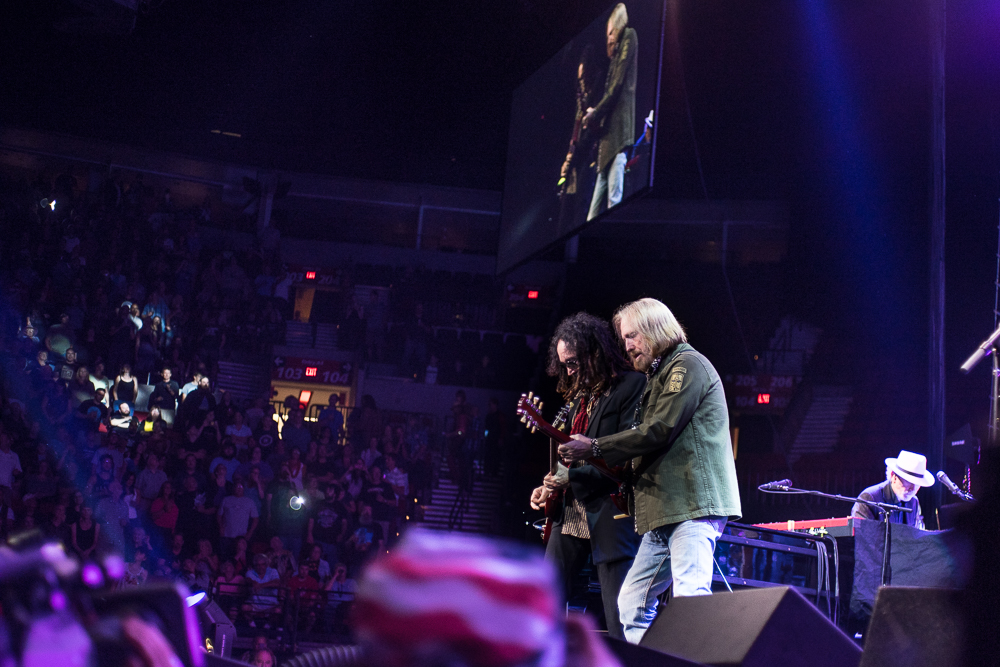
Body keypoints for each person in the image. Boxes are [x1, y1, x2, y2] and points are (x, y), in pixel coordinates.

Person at [558, 298, 741, 643]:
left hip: (692, 505)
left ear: (656, 328)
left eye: (633, 336)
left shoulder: (686, 365)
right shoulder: (658, 376)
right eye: (624, 338)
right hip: (664, 511)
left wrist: (595, 447)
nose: (627, 346)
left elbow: (658, 430)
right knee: (631, 604)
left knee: (690, 596)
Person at [528, 312, 644, 640]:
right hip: (571, 511)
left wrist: (571, 477)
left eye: (574, 362)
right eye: (564, 364)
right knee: (546, 600)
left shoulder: (631, 386)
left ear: (595, 353)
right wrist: (548, 485)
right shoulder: (579, 397)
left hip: (610, 509)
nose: (569, 371)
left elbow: (627, 453)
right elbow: (567, 457)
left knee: (618, 612)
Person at [585, 3, 638, 222]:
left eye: (609, 32)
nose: (608, 38)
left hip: (618, 138)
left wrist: (595, 113)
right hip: (608, 140)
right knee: (593, 214)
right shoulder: (615, 55)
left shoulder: (629, 36)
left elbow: (617, 87)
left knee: (613, 203)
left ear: (616, 25)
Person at [851, 450, 934, 529]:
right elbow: (863, 537)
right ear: (893, 477)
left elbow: (918, 535)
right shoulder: (869, 498)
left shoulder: (914, 501)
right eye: (909, 482)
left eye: (917, 484)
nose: (913, 489)